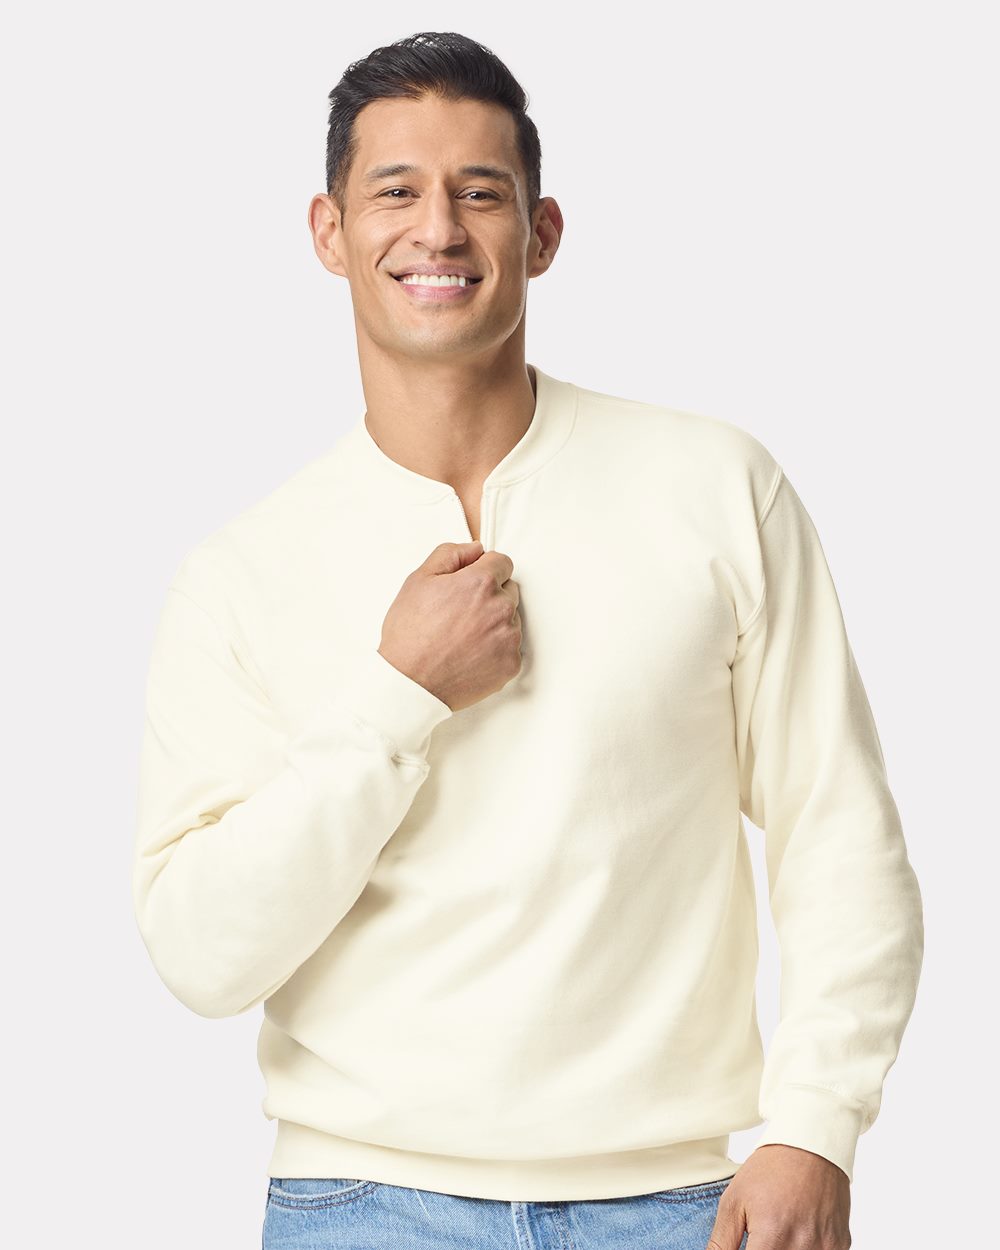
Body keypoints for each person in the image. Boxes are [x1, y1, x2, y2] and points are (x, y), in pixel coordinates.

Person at [131, 30, 924, 1250]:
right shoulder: (241, 573)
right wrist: (397, 694)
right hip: (359, 1205)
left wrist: (815, 1126)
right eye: (395, 191)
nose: (437, 230)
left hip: (682, 1204)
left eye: (480, 193)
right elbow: (200, 950)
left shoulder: (713, 486)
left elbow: (838, 828)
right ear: (329, 232)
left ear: (541, 232)